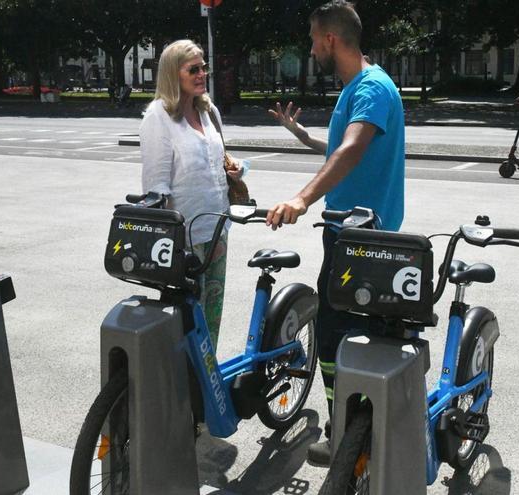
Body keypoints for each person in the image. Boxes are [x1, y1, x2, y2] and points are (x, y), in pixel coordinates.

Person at [265, 0, 405, 465]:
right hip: (350, 233)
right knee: (347, 333)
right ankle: (355, 427)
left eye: (311, 38)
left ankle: (348, 433)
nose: (310, 47)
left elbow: (350, 150)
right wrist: (300, 134)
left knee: (334, 336)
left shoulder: (370, 89)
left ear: (330, 39)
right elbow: (340, 147)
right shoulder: (359, 86)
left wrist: (302, 199)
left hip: (361, 238)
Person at [139, 39, 242, 349]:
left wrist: (233, 172)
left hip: (217, 230)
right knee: (183, 319)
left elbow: (218, 161)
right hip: (183, 238)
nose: (202, 74)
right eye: (193, 69)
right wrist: (165, 239)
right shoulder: (159, 117)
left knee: (212, 314)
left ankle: (206, 382)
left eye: (204, 67)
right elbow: (156, 186)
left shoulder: (209, 111)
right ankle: (182, 383)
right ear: (174, 74)